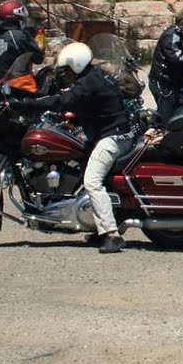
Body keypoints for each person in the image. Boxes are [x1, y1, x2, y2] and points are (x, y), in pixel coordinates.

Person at [43, 42, 135, 253]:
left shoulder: (89, 83)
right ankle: (96, 226)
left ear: (76, 66)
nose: (65, 75)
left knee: (92, 181)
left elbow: (64, 100)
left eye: (67, 70)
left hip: (114, 138)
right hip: (114, 133)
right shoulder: (96, 75)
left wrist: (26, 104)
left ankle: (112, 234)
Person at [148, 10, 183, 118]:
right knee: (168, 117)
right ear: (182, 24)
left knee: (176, 113)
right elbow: (177, 58)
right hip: (163, 84)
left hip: (171, 83)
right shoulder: (171, 36)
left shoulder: (178, 35)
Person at [0, 0, 43, 81]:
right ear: (16, 19)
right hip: (19, 83)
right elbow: (38, 58)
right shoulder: (18, 36)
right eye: (21, 18)